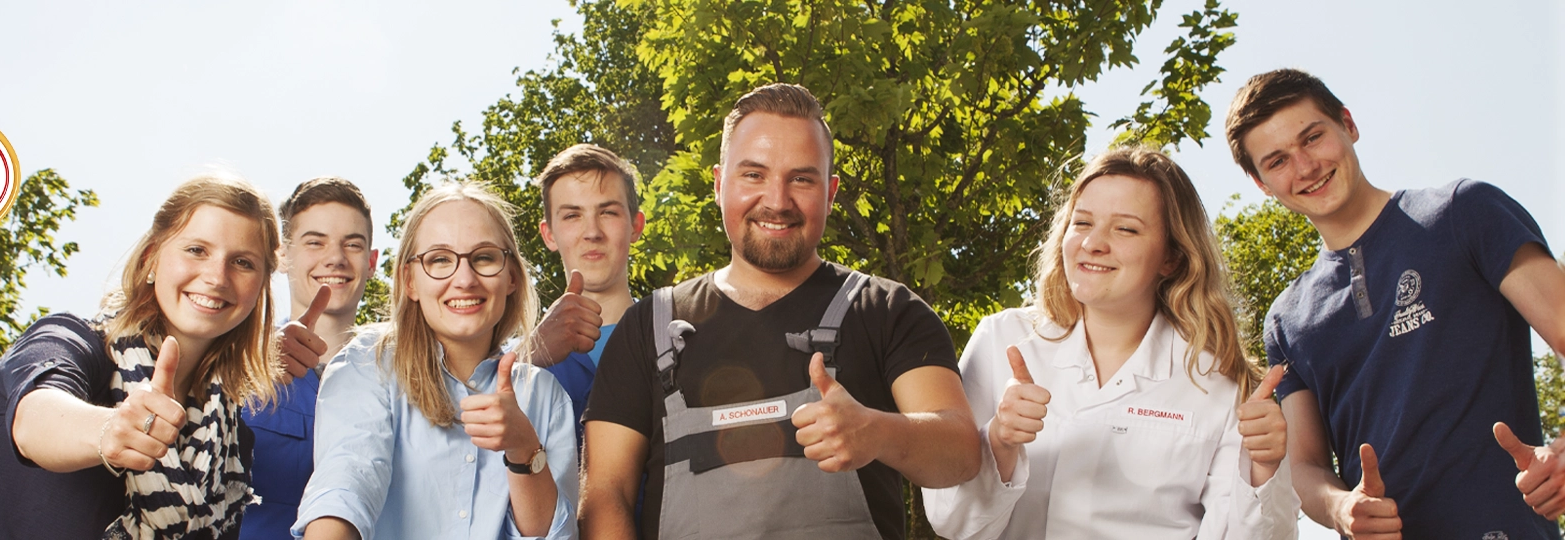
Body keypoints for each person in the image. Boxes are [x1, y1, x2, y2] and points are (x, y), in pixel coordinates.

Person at [580, 83, 981, 540]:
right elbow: (606, 493)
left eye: (802, 179)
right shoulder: (648, 328)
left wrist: (878, 432)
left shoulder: (888, 311)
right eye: (753, 175)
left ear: (829, 192)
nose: (777, 200)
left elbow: (962, 452)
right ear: (718, 183)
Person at [1225, 68, 1565, 538]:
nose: (1304, 167)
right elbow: (1304, 467)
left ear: (1348, 124)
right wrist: (1341, 506)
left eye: (1313, 137)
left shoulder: (1465, 213)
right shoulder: (1286, 320)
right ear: (1260, 182)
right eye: (1278, 160)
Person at [921, 147, 1300, 539]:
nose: (1093, 243)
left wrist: (1265, 469)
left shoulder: (1219, 384)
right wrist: (999, 442)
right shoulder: (1002, 340)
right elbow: (952, 522)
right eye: (1082, 223)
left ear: (1170, 257)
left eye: (1126, 229)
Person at [0, 174, 283, 538]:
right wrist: (110, 431)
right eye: (196, 250)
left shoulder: (230, 439)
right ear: (151, 259)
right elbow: (32, 421)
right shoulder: (72, 341)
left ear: (260, 286)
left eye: (243, 262)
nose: (217, 277)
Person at [294, 182, 578, 540]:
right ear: (409, 280)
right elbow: (345, 487)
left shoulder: (543, 394)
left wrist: (524, 450)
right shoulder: (369, 363)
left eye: (484, 257)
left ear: (511, 278)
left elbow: (555, 536)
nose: (464, 279)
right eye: (440, 259)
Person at [243, 177, 379, 536]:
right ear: (282, 256)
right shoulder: (236, 368)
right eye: (315, 242)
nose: (335, 258)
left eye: (352, 244)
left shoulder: (397, 380)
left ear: (372, 262)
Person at [526, 143, 646, 427]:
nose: (592, 232)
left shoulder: (675, 339)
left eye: (608, 213)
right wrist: (530, 355)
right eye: (572, 215)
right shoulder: (523, 362)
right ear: (549, 235)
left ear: (635, 226)